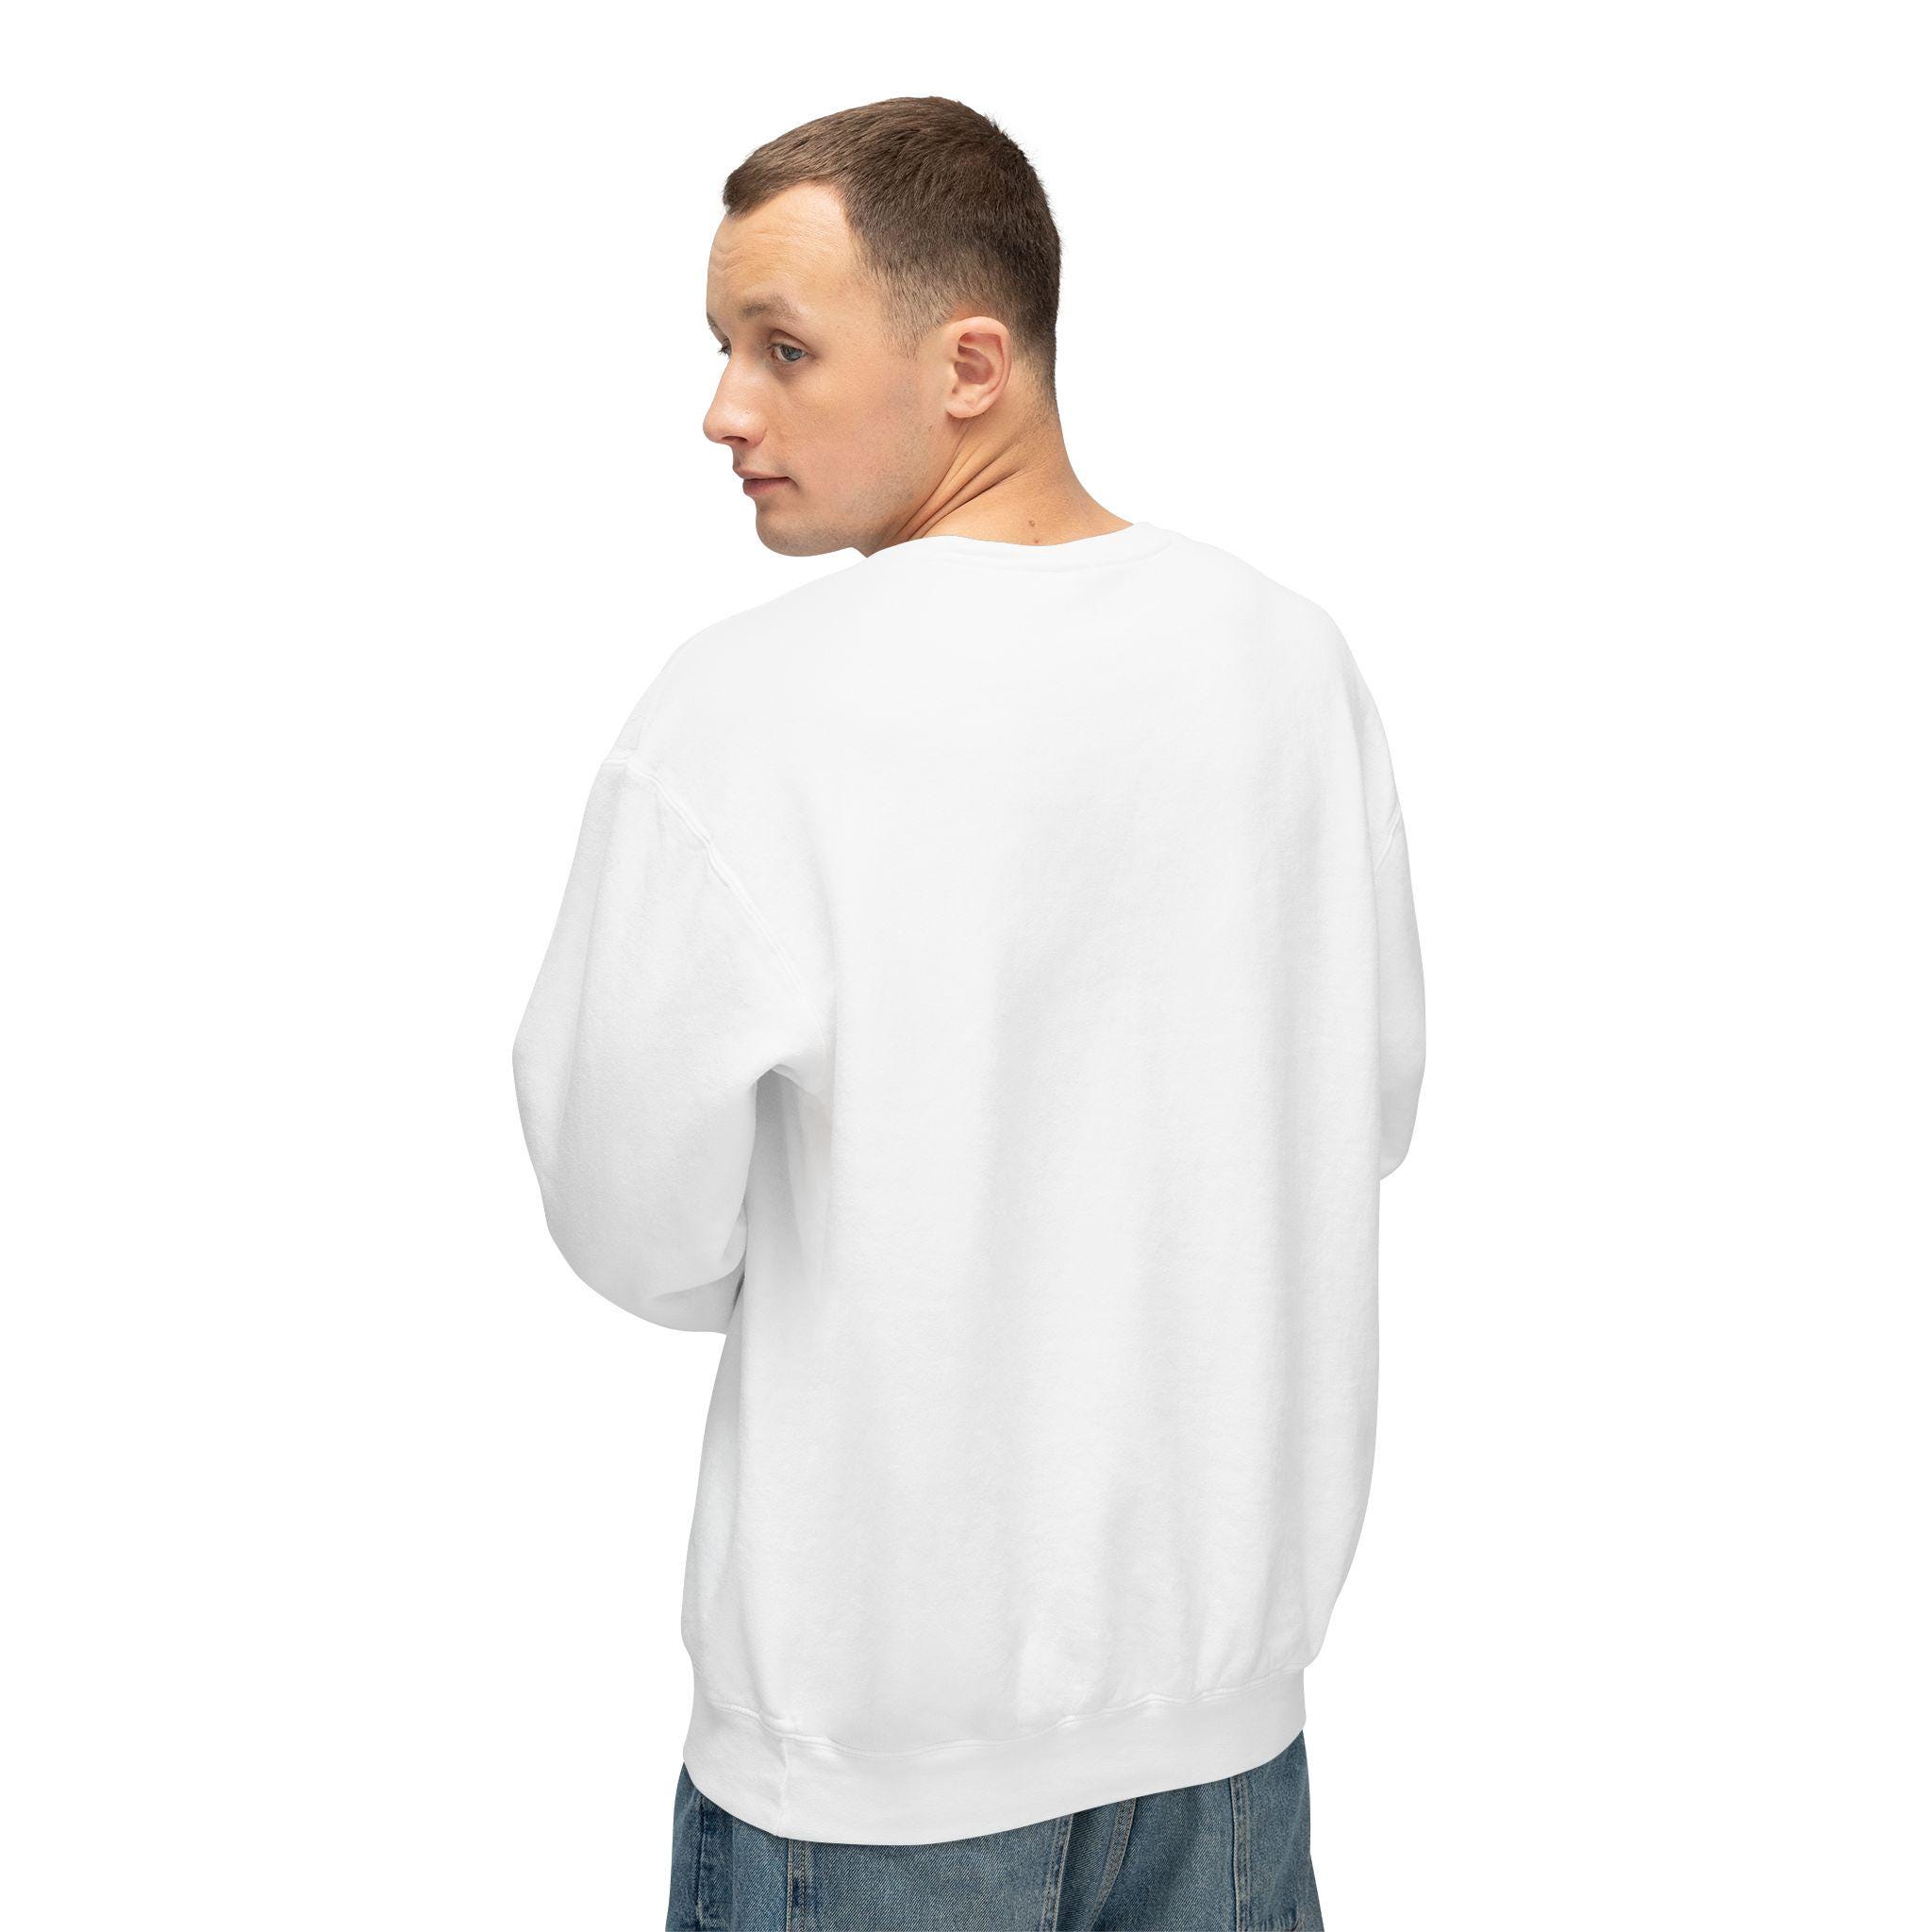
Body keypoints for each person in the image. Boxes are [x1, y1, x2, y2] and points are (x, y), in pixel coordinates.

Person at [511, 94, 1424, 1932]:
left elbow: (630, 1220)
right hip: (1226, 1756)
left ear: (972, 366)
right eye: (722, 348)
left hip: (866, 1781)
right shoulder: (1285, 659)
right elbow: (1363, 1105)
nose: (723, 410)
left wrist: (865, 1242)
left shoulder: (751, 712)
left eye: (782, 348)